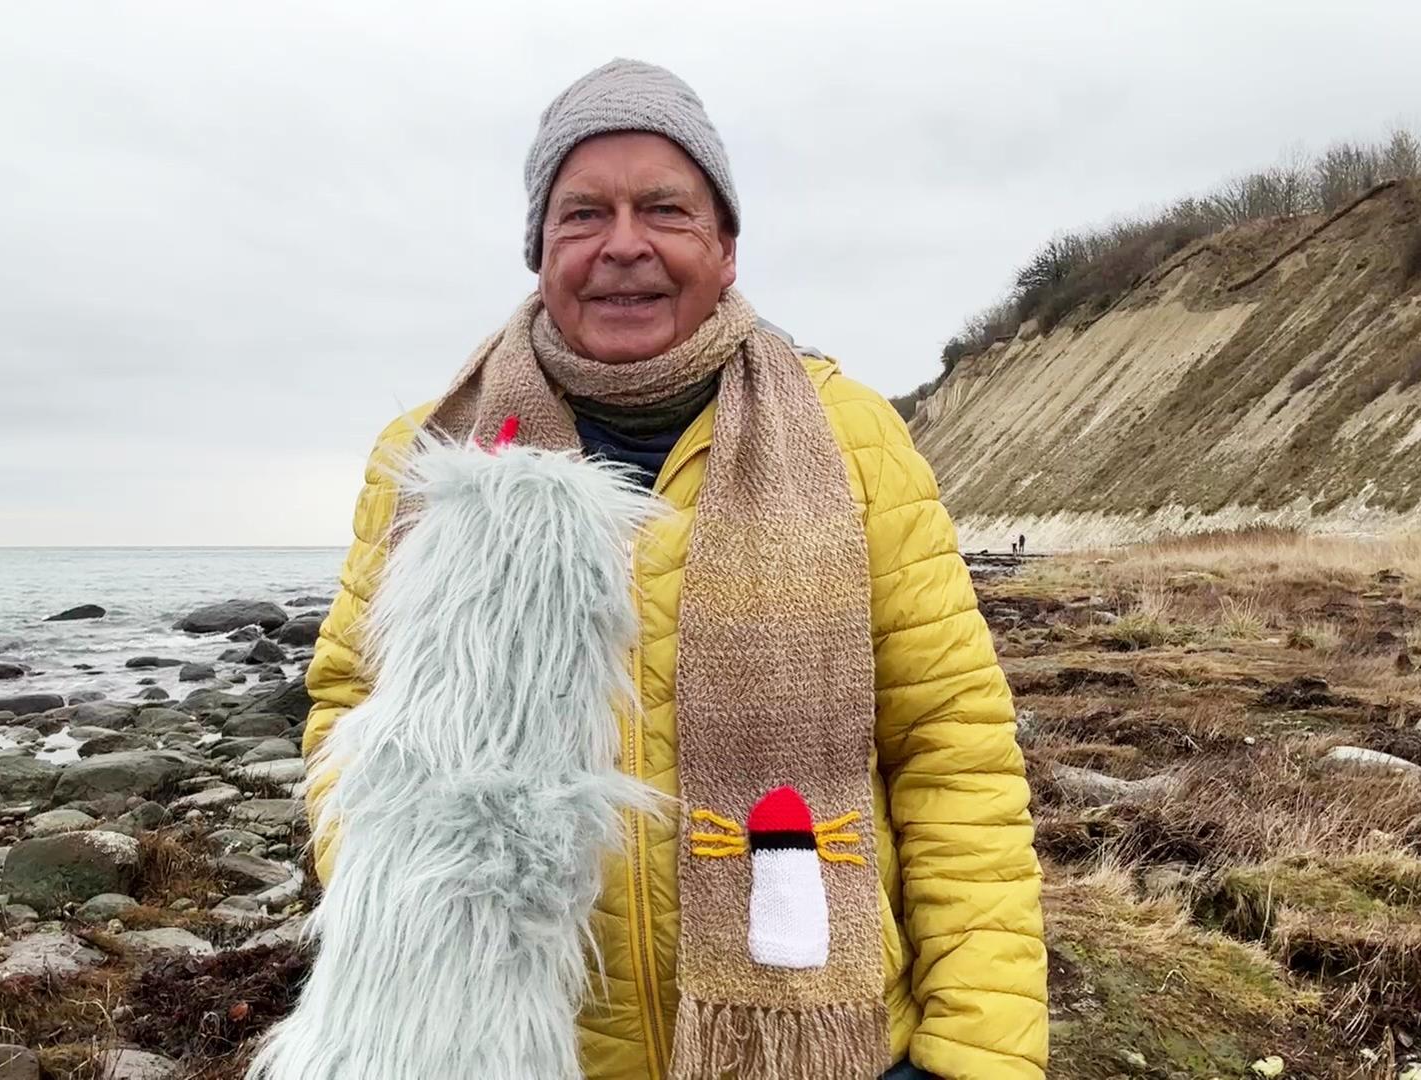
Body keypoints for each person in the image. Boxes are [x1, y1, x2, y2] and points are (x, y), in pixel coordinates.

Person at [303, 58, 1047, 1080]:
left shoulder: (848, 435)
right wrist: (425, 931)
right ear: (539, 249)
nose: (623, 245)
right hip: (523, 1051)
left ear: (725, 245)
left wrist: (975, 1058)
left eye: (664, 208)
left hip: (830, 1046)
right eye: (581, 215)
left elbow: (953, 751)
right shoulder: (434, 458)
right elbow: (348, 712)